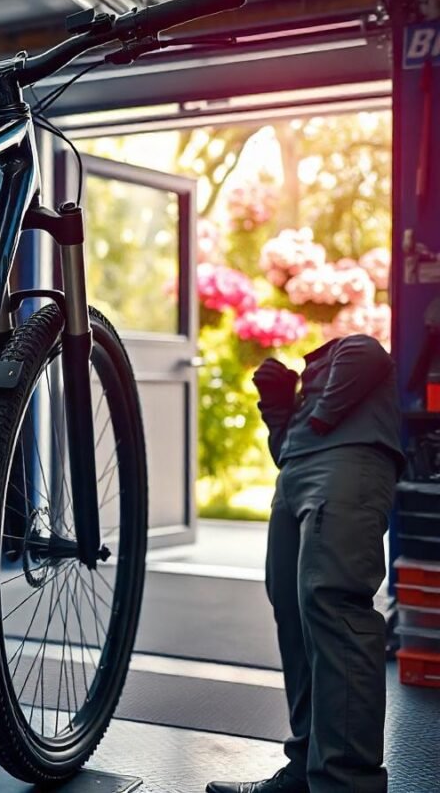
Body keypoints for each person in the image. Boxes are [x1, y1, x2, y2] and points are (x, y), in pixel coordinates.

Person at [207, 334, 403, 793]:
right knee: (294, 614)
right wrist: (279, 407)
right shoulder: (310, 398)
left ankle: (345, 783)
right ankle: (304, 770)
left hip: (347, 464)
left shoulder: (356, 353)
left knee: (333, 607)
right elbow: (284, 449)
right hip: (295, 473)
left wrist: (317, 417)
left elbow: (367, 353)